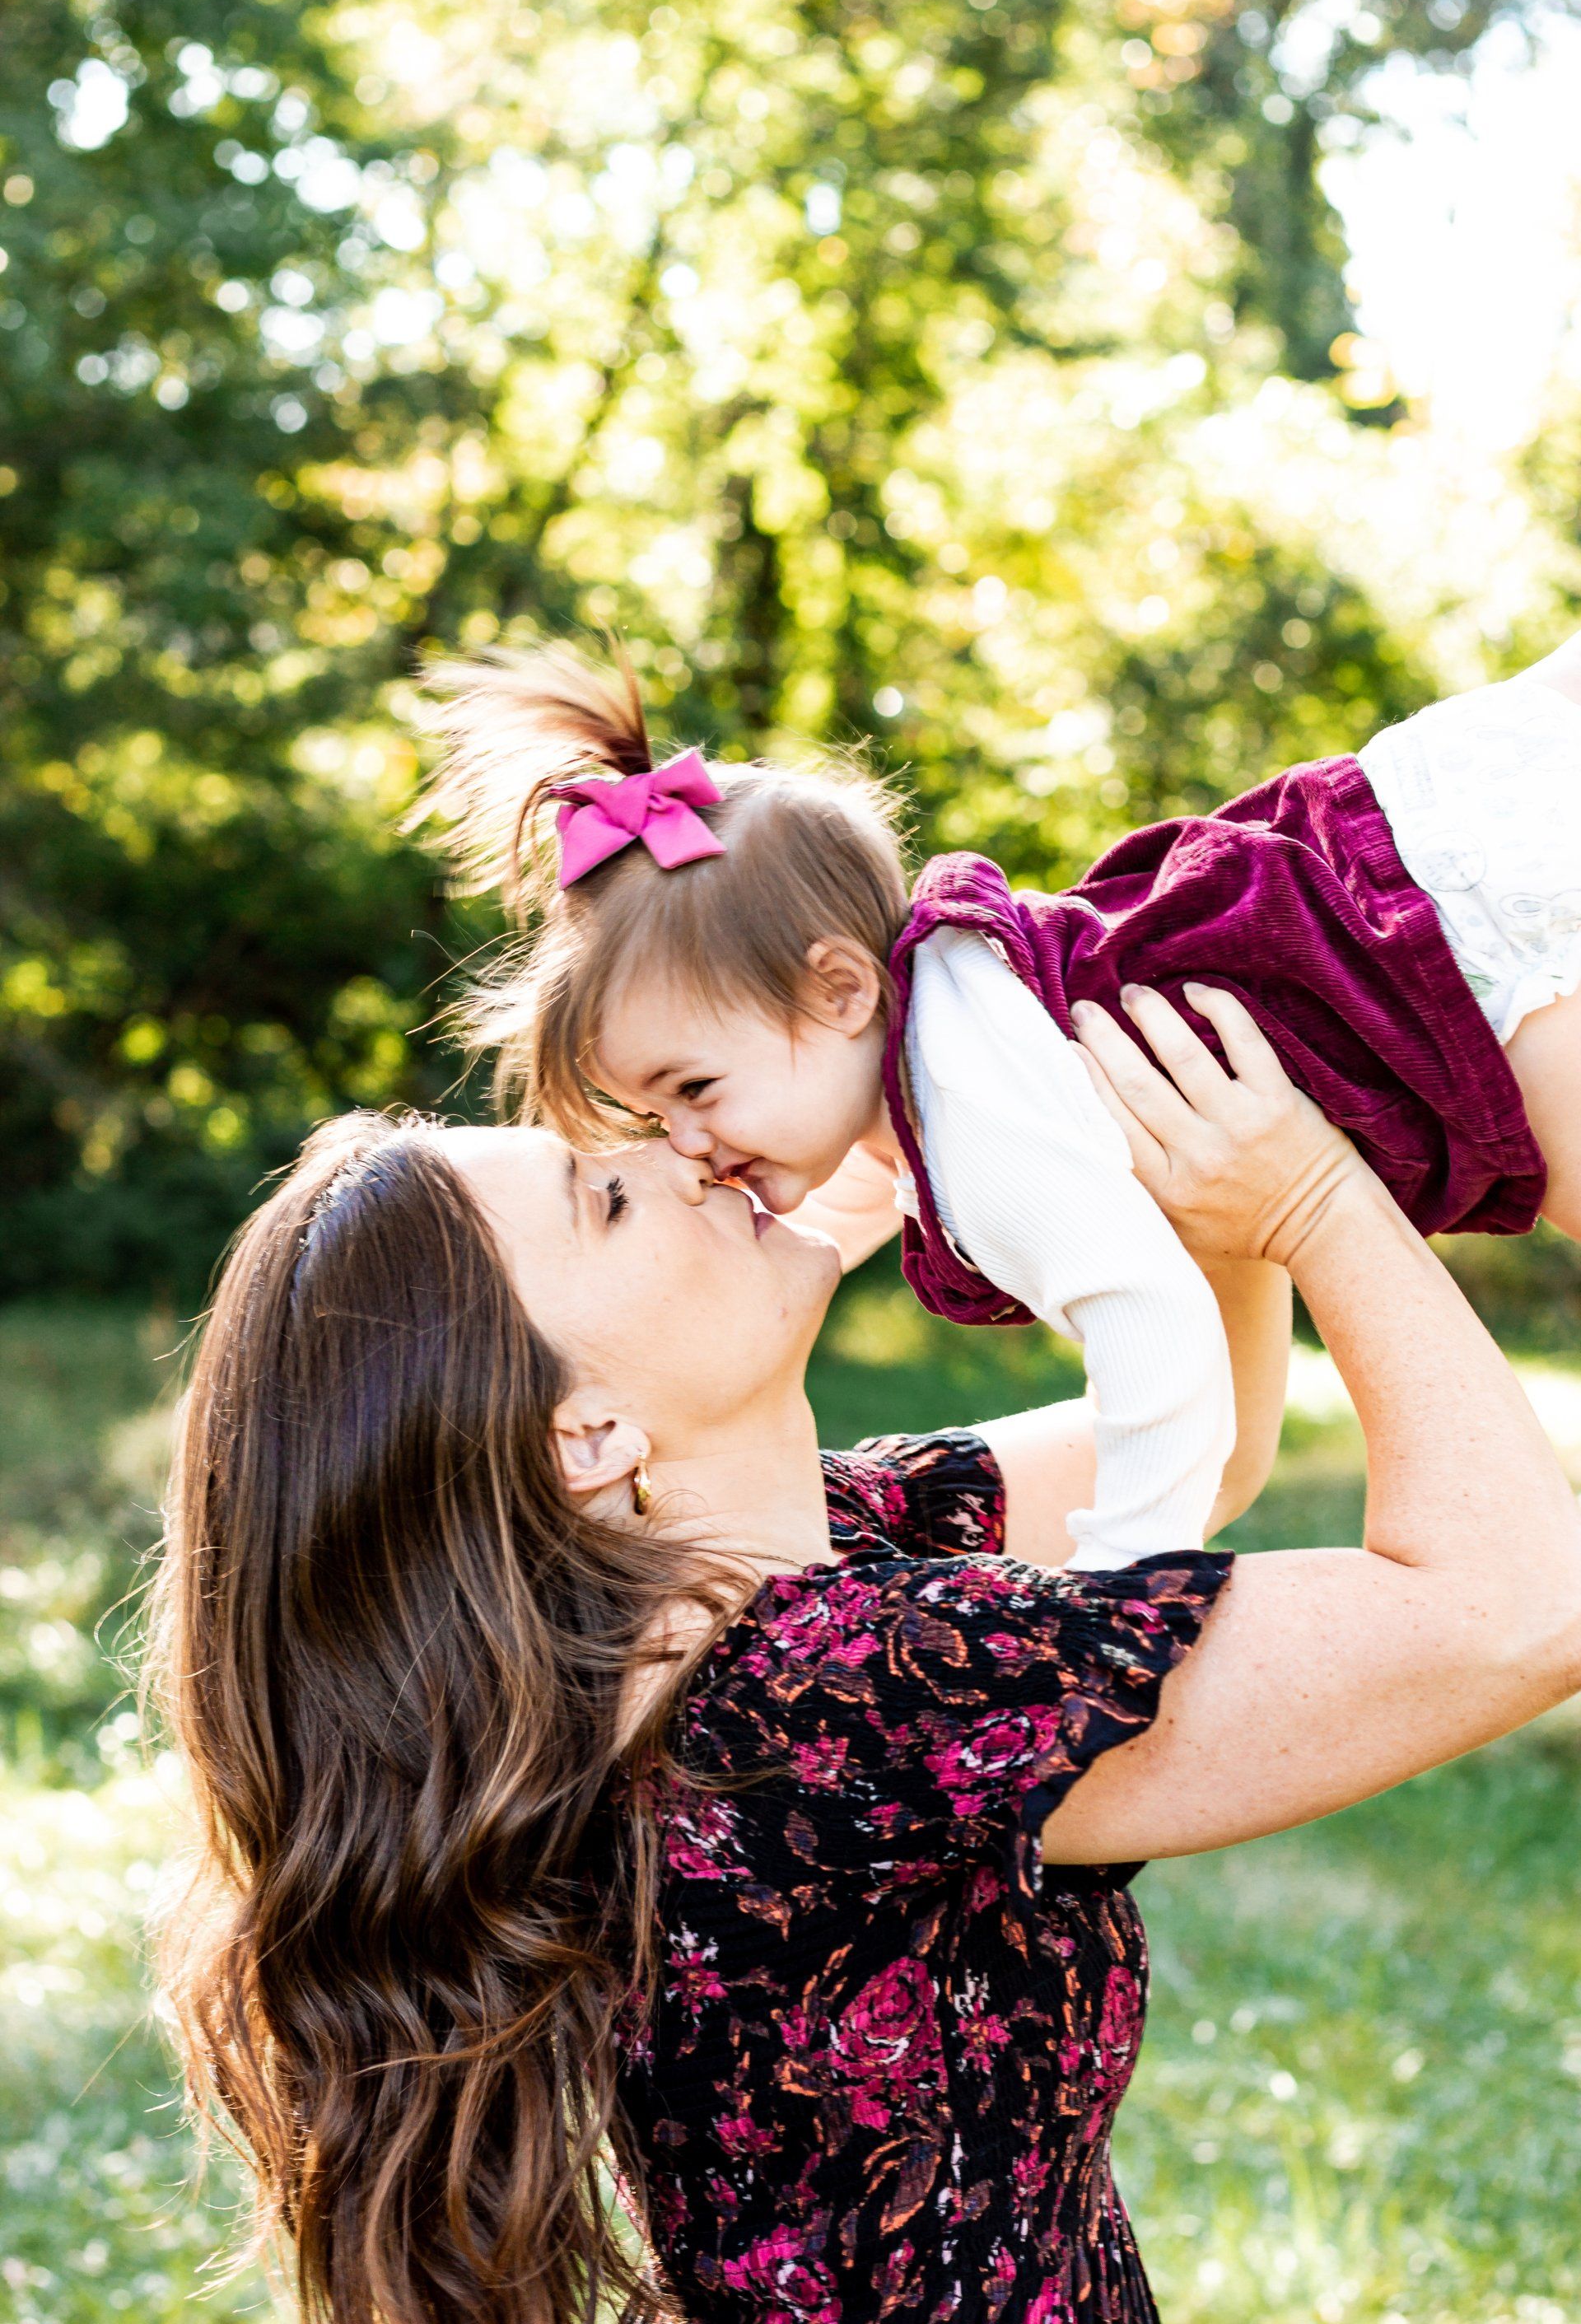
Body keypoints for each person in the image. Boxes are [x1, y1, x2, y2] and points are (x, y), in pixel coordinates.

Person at [150, 982, 1581, 2324]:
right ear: (585, 1434)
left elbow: (1201, 1454)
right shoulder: (829, 1701)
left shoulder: (731, 1597)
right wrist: (1316, 1200)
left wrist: (1136, 1149)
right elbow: (1521, 1608)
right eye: (608, 1197)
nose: (682, 1152)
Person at [414, 630, 1581, 1570]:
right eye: (653, 1113)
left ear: (839, 990)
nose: (687, 1146)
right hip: (1420, 836)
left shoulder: (973, 1125)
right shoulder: (951, 1013)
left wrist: (1128, 1565)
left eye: (695, 1088)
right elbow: (854, 1209)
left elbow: (1155, 1333)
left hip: (1457, 956)